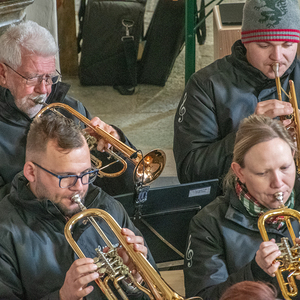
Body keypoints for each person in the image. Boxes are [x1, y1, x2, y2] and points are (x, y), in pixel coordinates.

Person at [0, 113, 156, 299]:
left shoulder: (109, 208)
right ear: (31, 172)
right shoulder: (5, 232)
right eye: (66, 177)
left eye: (86, 173)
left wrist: (135, 282)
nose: (80, 186)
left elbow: (153, 293)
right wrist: (62, 297)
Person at [0, 20, 136, 198]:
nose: (44, 90)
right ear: (3, 74)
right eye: (32, 78)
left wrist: (115, 145)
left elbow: (123, 190)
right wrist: (49, 179)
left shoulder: (71, 109)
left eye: (49, 77)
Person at [173, 0, 300, 188]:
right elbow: (190, 172)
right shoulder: (205, 85)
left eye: (288, 44)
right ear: (246, 41)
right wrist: (246, 134)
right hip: (233, 205)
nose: (278, 57)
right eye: (264, 45)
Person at [184, 114, 300, 299]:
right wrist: (255, 272)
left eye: (285, 167)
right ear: (240, 172)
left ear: (293, 157)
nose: (278, 183)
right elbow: (203, 297)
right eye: (263, 173)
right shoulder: (208, 224)